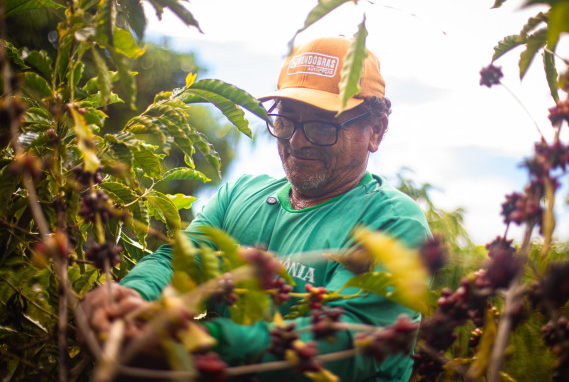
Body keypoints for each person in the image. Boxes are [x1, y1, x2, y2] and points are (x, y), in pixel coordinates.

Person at [80, 36, 431, 381]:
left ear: (375, 131)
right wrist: (130, 295)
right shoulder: (239, 195)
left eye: (323, 125)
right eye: (286, 121)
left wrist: (197, 341)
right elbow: (180, 260)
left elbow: (346, 344)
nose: (297, 140)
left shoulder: (392, 223)